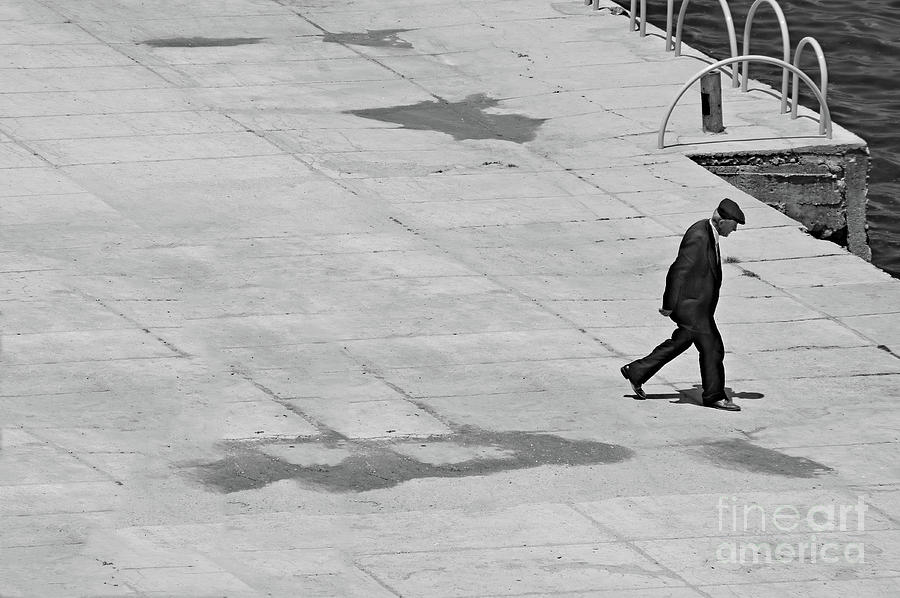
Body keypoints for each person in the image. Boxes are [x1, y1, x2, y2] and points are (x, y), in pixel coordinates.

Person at [620, 198, 745, 411]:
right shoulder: (699, 236)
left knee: (681, 342)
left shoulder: (709, 233)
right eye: (733, 226)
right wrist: (668, 304)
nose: (734, 230)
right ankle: (713, 395)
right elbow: (678, 270)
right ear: (722, 220)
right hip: (692, 309)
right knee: (713, 349)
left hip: (698, 308)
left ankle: (637, 371)